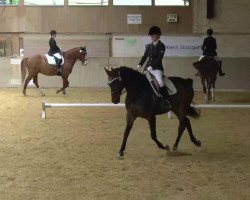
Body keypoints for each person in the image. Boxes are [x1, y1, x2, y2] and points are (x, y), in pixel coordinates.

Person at [137, 26, 169, 100]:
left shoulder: (161, 46)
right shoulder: (149, 46)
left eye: (153, 35)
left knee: (160, 82)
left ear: (158, 35)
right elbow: (144, 56)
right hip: (148, 68)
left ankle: (165, 98)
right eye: (151, 35)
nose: (151, 36)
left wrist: (152, 66)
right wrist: (140, 64)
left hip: (157, 68)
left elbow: (159, 58)